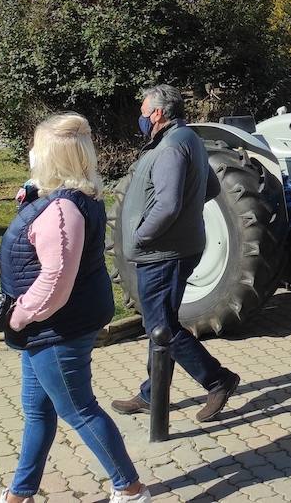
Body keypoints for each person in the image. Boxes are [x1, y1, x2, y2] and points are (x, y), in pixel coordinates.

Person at [0, 114, 150, 503]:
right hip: (48, 327)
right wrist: (32, 198)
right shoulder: (71, 196)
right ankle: (20, 494)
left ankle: (130, 489)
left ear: (53, 157)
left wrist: (18, 315)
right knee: (38, 409)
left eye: (38, 148)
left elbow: (55, 281)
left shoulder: (64, 211)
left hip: (57, 328)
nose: (32, 153)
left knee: (79, 409)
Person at [114, 86, 239, 422]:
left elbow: (167, 205)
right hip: (175, 248)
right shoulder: (188, 139)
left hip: (162, 253)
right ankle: (153, 394)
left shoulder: (171, 147)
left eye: (144, 112)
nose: (141, 118)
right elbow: (210, 187)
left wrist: (141, 235)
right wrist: (185, 213)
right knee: (161, 322)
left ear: (157, 113)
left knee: (161, 326)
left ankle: (218, 380)